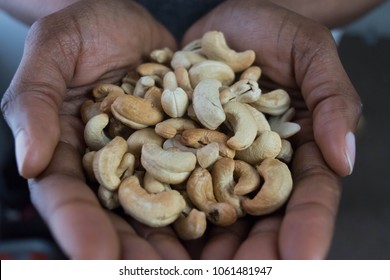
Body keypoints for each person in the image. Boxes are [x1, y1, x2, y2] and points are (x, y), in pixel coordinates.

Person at [0, 0, 385, 259]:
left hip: (293, 23)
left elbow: (251, 138)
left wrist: (283, 10)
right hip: (63, 13)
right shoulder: (167, 119)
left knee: (314, 128)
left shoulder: (222, 112)